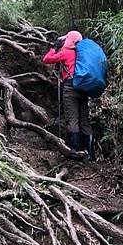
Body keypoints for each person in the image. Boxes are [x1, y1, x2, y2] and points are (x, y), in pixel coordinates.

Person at [42, 30, 95, 160]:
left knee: (73, 120)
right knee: (85, 121)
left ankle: (75, 152)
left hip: (70, 88)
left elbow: (47, 59)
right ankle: (90, 154)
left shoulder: (66, 53)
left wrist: (54, 47)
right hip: (83, 88)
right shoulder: (83, 55)